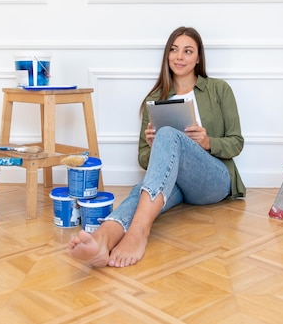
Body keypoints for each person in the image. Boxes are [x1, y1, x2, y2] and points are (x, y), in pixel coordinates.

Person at [68, 26, 245, 268]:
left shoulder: (219, 89)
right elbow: (144, 159)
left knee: (168, 135)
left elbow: (237, 142)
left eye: (187, 51)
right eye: (173, 50)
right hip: (179, 187)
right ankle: (102, 238)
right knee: (142, 190)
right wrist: (155, 146)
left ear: (198, 58)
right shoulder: (156, 100)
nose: (179, 57)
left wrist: (207, 142)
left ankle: (139, 232)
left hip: (215, 180)